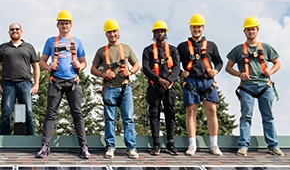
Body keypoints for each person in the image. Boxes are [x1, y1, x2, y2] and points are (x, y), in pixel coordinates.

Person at [225, 16, 283, 157]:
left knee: (268, 116)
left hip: (264, 86)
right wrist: (239, 74)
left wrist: (270, 71)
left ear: (257, 30)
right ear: (244, 32)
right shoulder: (238, 50)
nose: (251, 32)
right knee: (246, 116)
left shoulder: (266, 48)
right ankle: (243, 145)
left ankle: (273, 145)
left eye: (253, 29)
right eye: (248, 30)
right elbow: (228, 67)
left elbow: (278, 63)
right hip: (247, 87)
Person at [35, 10, 89, 159]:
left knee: (77, 114)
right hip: (56, 82)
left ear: (71, 25)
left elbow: (84, 62)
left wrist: (80, 65)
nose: (64, 26)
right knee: (50, 114)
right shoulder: (51, 41)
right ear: (57, 25)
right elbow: (42, 61)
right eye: (62, 23)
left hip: (73, 82)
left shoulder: (77, 42)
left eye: (67, 23)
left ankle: (83, 146)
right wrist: (48, 67)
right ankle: (45, 146)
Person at [90, 19, 140, 159]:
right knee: (109, 119)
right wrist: (102, 74)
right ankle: (110, 146)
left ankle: (131, 148)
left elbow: (136, 65)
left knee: (128, 118)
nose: (112, 34)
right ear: (106, 34)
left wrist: (130, 72)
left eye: (114, 31)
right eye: (109, 32)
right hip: (109, 89)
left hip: (125, 88)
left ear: (118, 32)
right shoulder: (101, 51)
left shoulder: (126, 48)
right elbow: (92, 69)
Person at [177, 13, 224, 156]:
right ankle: (192, 145)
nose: (196, 30)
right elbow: (173, 64)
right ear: (190, 28)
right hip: (191, 81)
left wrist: (215, 71)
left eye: (199, 27)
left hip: (207, 81)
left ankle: (214, 144)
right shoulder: (182, 47)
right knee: (191, 112)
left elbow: (219, 62)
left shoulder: (211, 46)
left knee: (212, 111)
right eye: (194, 27)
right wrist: (180, 73)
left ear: (203, 28)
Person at [0, 23, 39, 136]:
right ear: (9, 32)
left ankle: (30, 138)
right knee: (6, 112)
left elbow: (36, 66)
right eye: (12, 29)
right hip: (8, 84)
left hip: (25, 83)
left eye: (17, 29)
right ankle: (3, 138)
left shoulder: (29, 47)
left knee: (28, 111)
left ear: (21, 31)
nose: (15, 31)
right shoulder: (3, 47)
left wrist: (36, 84)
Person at [142, 20, 181, 156]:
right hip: (154, 86)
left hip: (170, 87)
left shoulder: (173, 50)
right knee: (154, 113)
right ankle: (156, 144)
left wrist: (168, 82)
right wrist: (159, 80)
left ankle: (170, 143)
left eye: (162, 31)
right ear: (154, 33)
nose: (160, 34)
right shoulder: (148, 50)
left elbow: (177, 68)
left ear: (165, 33)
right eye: (158, 31)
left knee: (170, 113)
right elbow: (146, 68)